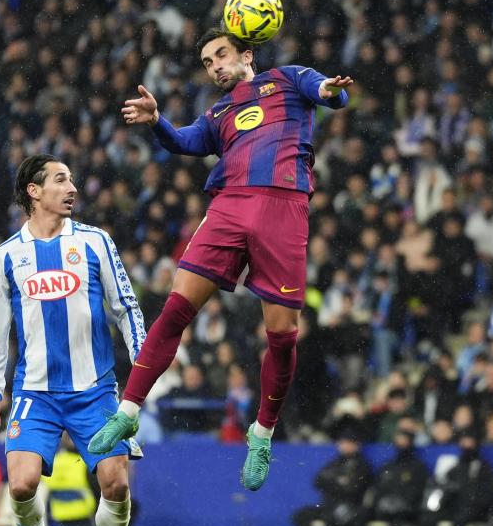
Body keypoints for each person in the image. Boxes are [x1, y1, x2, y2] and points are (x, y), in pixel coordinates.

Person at [87, 27, 353, 492]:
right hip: (228, 206)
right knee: (174, 309)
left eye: (221, 56)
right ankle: (128, 411)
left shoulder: (288, 79)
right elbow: (186, 142)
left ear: (246, 54)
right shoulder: (219, 112)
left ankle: (263, 433)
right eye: (208, 63)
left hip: (283, 207)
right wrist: (157, 122)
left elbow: (326, 92)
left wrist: (331, 91)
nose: (215, 67)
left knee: (283, 336)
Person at [0, 154, 147, 526]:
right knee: (20, 485)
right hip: (34, 392)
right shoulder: (7, 255)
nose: (72, 188)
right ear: (34, 192)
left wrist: (143, 367)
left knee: (116, 484)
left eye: (72, 180)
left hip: (94, 389)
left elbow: (126, 307)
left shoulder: (94, 241)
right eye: (60, 180)